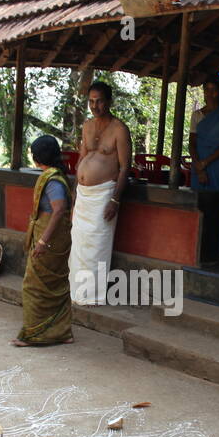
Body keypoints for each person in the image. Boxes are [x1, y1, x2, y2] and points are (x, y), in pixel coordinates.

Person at [69, 81, 130, 305]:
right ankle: (77, 294)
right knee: (79, 244)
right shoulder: (87, 126)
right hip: (83, 195)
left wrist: (115, 199)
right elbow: (81, 160)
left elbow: (125, 167)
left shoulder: (119, 129)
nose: (95, 106)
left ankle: (92, 297)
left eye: (100, 101)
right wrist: (75, 198)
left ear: (109, 101)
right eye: (91, 101)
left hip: (104, 194)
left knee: (97, 245)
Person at [12, 134, 74, 347]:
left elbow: (58, 211)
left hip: (49, 240)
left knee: (34, 286)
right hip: (55, 239)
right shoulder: (55, 177)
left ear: (38, 156)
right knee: (55, 285)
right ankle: (62, 332)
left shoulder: (53, 180)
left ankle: (34, 334)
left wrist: (42, 242)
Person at [189, 74, 219, 264]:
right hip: (198, 167)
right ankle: (197, 252)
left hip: (216, 168)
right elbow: (192, 142)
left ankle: (214, 253)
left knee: (215, 211)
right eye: (206, 89)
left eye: (213, 90)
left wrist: (205, 163)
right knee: (199, 209)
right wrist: (198, 166)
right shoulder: (197, 115)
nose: (210, 94)